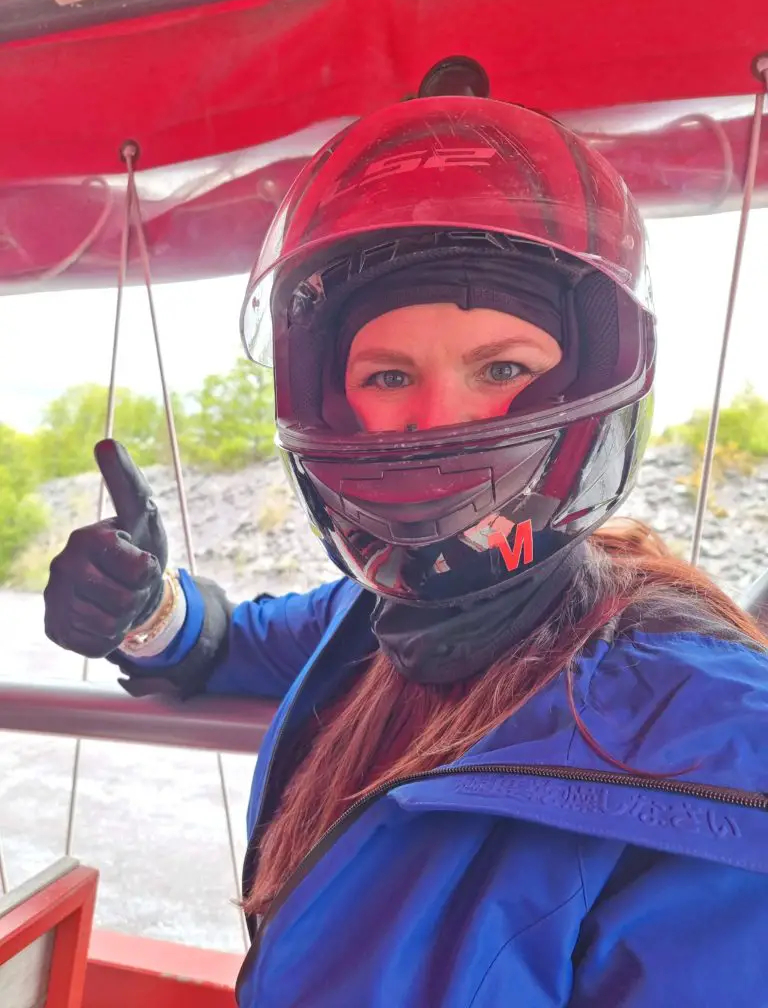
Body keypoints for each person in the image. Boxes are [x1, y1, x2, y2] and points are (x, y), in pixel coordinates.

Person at [43, 97, 768, 1007]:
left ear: (595, 386)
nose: (437, 422)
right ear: (330, 401)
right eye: (388, 376)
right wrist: (141, 610)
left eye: (502, 369)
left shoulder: (718, 748)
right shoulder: (370, 621)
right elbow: (224, 644)